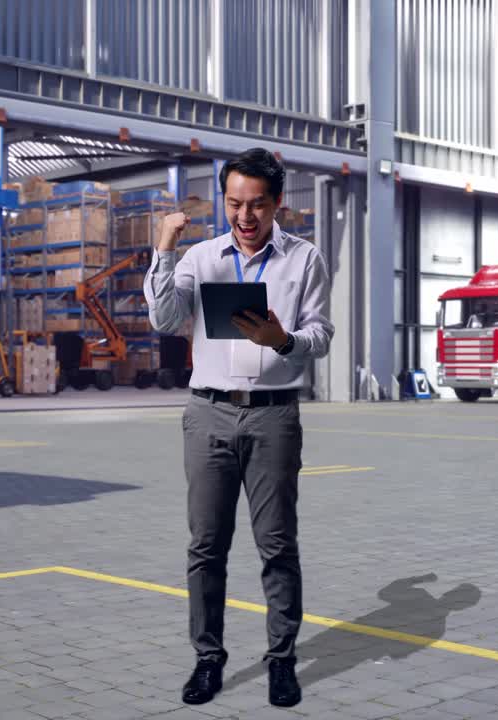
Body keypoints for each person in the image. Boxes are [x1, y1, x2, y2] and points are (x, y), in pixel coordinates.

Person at [144, 148, 334, 708]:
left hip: (274, 414)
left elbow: (320, 334)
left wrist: (282, 339)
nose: (244, 216)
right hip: (208, 413)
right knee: (206, 545)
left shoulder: (303, 261)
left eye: (256, 205)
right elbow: (163, 319)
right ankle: (208, 658)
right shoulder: (201, 258)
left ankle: (281, 660)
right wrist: (164, 248)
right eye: (234, 203)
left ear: (277, 204)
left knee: (277, 544)